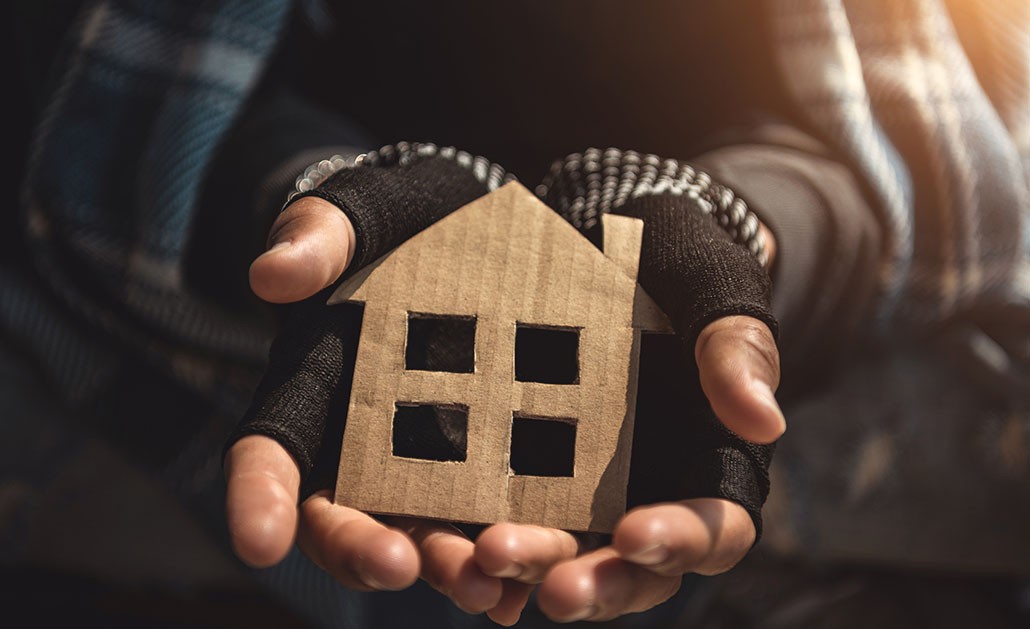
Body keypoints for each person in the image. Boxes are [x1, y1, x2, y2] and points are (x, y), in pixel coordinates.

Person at [5, 0, 1028, 626]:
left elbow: (892, 151)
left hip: (752, 307)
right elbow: (109, 82)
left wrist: (744, 230)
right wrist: (312, 187)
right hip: (207, 301)